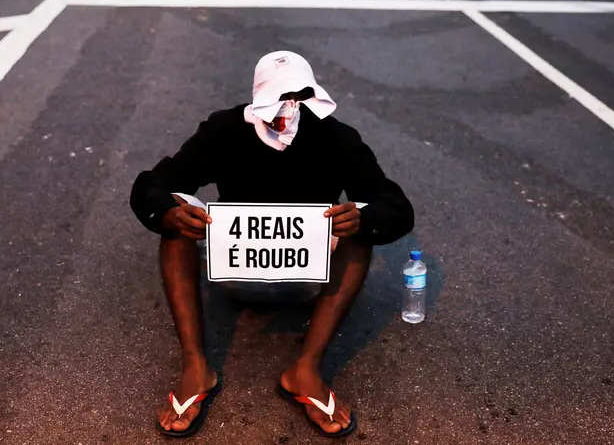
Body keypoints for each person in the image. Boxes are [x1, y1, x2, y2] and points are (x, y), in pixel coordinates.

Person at [129, 51, 414, 439]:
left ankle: (305, 370)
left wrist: (364, 219)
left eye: (298, 97)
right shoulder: (224, 130)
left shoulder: (335, 136)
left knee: (359, 222)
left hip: (310, 279)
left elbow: (395, 205)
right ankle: (196, 368)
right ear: (258, 97)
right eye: (279, 97)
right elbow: (152, 184)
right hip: (234, 272)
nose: (288, 108)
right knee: (176, 212)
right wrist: (167, 213)